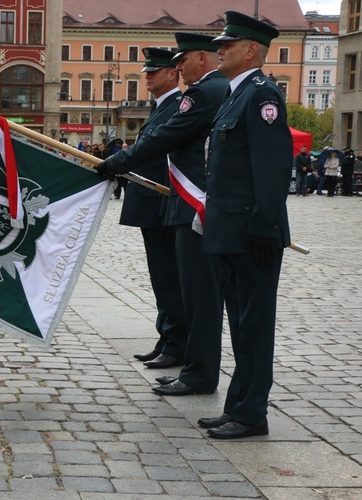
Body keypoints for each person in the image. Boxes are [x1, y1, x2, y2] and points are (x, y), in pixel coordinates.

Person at [103, 33, 230, 396]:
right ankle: (180, 352)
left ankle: (191, 362)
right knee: (177, 286)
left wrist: (114, 162)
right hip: (176, 204)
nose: (177, 67)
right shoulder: (204, 92)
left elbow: (159, 143)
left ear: (199, 60)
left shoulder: (202, 94)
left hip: (183, 204)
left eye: (181, 60)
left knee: (190, 291)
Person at [196, 11, 292, 439]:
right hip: (231, 231)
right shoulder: (236, 95)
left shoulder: (262, 95)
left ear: (250, 49)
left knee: (253, 326)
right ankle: (239, 405)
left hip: (253, 234)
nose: (219, 50)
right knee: (239, 323)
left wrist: (264, 226)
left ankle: (252, 413)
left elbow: (272, 167)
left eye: (227, 45)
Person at [96, 48, 188, 369]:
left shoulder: (179, 106)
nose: (147, 76)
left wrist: (115, 162)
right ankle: (167, 337)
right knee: (160, 277)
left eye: (154, 71)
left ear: (173, 74)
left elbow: (156, 149)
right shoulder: (161, 107)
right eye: (146, 71)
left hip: (163, 204)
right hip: (153, 205)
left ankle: (177, 343)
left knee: (168, 277)